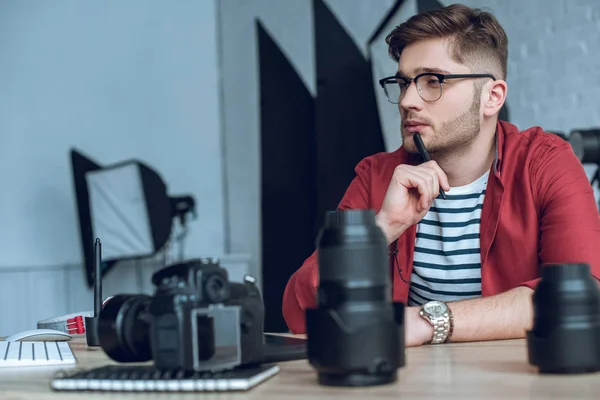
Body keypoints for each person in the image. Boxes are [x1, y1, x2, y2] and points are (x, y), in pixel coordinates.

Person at [281, 4, 600, 346]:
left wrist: (428, 321)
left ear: (492, 98)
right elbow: (299, 311)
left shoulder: (544, 162)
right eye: (403, 83)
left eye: (433, 81)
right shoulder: (376, 176)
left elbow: (585, 294)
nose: (407, 100)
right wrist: (382, 227)